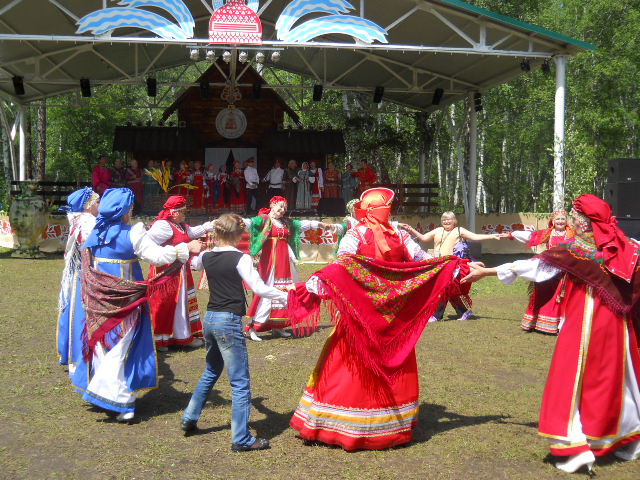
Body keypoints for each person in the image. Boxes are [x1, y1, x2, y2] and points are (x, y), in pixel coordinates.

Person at [462, 194, 640, 472]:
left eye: (575, 215)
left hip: (586, 319)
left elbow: (537, 267)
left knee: (572, 375)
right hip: (618, 324)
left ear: (584, 220)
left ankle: (575, 442)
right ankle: (626, 435)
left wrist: (486, 273)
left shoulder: (577, 247)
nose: (571, 219)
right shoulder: (625, 245)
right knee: (615, 376)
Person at [287, 187, 471, 450]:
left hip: (378, 312)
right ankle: (357, 425)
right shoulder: (363, 233)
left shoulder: (391, 234)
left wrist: (451, 264)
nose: (391, 211)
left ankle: (370, 425)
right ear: (379, 208)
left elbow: (422, 261)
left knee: (355, 362)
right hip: (375, 313)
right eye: (388, 206)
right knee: (359, 361)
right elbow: (344, 266)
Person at [74, 188, 199, 422]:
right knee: (123, 346)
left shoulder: (94, 230)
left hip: (99, 297)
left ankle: (102, 393)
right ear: (125, 210)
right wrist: (185, 249)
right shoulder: (133, 232)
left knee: (105, 341)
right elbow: (158, 257)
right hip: (127, 298)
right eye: (130, 208)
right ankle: (121, 401)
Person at [181, 213, 291, 451]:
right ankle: (241, 439)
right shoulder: (239, 258)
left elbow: (192, 262)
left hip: (209, 319)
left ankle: (189, 417)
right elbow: (258, 287)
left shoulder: (206, 256)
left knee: (211, 371)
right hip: (229, 321)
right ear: (236, 235)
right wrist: (286, 294)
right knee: (240, 383)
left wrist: (194, 247)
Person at [244, 196, 338, 341]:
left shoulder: (285, 222)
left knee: (284, 290)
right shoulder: (263, 219)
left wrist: (320, 224)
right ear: (272, 204)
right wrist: (232, 222)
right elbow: (249, 223)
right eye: (280, 207)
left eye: (284, 209)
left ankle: (278, 326)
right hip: (270, 262)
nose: (282, 211)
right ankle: (252, 327)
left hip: (284, 262)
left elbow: (302, 225)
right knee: (266, 290)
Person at [400, 211, 501, 321]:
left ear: (454, 221)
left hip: (452, 264)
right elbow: (423, 238)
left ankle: (437, 315)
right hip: (438, 263)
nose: (446, 221)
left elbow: (475, 237)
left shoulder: (459, 230)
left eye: (449, 219)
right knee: (450, 289)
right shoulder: (438, 230)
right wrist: (410, 229)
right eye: (444, 219)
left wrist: (491, 236)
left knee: (444, 288)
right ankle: (464, 312)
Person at [146, 195, 215, 351]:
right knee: (165, 303)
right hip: (166, 272)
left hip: (180, 272)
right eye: (183, 211)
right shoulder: (163, 226)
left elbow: (192, 232)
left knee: (181, 303)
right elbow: (148, 244)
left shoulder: (180, 226)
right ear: (175, 212)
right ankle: (161, 340)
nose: (185, 213)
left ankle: (181, 336)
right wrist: (174, 251)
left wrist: (210, 225)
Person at [507, 210, 575, 334]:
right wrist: (513, 234)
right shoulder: (548, 233)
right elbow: (531, 236)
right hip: (547, 269)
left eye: (563, 219)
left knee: (559, 296)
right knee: (541, 294)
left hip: (563, 272)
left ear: (566, 221)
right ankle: (534, 322)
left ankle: (557, 324)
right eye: (558, 219)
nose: (560, 221)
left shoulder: (572, 235)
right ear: (553, 221)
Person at [57, 187, 99, 375]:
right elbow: (92, 246)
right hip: (84, 272)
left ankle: (71, 352)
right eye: (97, 202)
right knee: (81, 311)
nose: (100, 205)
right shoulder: (87, 221)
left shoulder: (78, 219)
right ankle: (80, 356)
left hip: (77, 272)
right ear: (89, 206)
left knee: (73, 309)